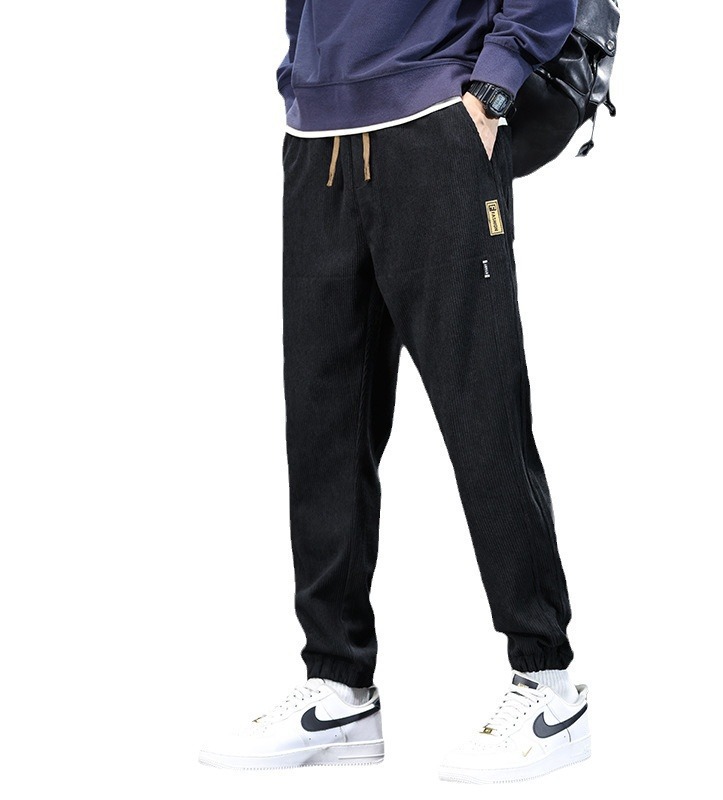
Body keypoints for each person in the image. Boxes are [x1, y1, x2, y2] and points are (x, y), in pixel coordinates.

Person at [200, 0, 590, 783]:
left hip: (439, 121)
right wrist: (303, 76)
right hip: (318, 136)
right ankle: (338, 686)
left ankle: (547, 683)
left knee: (483, 413)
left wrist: (497, 83)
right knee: (325, 426)